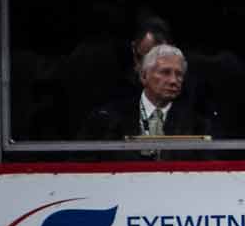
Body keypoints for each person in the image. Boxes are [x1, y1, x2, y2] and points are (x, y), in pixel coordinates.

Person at [83, 43, 213, 158]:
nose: (174, 81)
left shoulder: (198, 125)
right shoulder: (108, 118)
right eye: (165, 72)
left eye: (179, 74)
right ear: (144, 76)